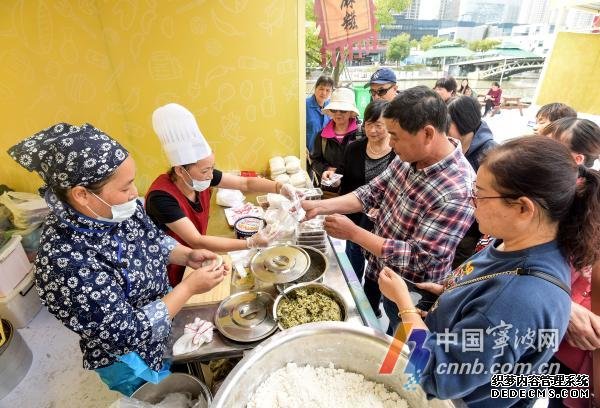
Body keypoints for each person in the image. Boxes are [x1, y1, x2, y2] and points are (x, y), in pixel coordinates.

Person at [379, 135, 600, 407]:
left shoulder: (515, 300)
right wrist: (453, 295)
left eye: (480, 194)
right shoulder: (518, 242)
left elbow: (437, 376)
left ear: (523, 208)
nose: (472, 202)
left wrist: (404, 305)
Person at [7, 123, 227, 396]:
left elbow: (153, 239)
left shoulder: (120, 209)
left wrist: (186, 255)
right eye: (125, 187)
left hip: (166, 315)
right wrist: (189, 288)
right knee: (167, 397)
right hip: (131, 358)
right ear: (81, 194)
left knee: (185, 374)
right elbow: (129, 333)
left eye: (133, 181)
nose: (135, 193)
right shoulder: (66, 264)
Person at [303, 86, 475, 333]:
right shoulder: (409, 157)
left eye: (395, 136)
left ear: (427, 133)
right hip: (383, 269)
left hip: (413, 291)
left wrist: (353, 233)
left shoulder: (457, 190)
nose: (391, 144)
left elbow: (419, 257)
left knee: (407, 348)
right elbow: (373, 191)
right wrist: (320, 206)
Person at [146, 103, 285, 286]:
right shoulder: (161, 198)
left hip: (198, 257)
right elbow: (196, 240)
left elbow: (245, 182)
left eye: (212, 168)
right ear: (180, 170)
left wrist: (280, 187)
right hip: (171, 268)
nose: (211, 175)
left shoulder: (201, 177)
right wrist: (250, 243)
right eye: (205, 171)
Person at [540, 117, 600, 408]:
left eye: (548, 145)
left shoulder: (577, 207)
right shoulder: (564, 200)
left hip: (577, 355)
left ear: (576, 159)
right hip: (559, 344)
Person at [321, 100, 395, 317]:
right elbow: (343, 174)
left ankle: (371, 309)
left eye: (379, 125)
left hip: (381, 224)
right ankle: (354, 297)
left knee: (375, 267)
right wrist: (332, 177)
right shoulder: (354, 147)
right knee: (354, 257)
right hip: (353, 217)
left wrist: (383, 209)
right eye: (369, 124)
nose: (372, 130)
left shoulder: (399, 155)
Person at [447, 95, 498, 267]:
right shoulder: (454, 145)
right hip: (451, 222)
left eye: (448, 123)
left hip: (471, 230)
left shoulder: (490, 154)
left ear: (464, 122)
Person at [309, 87, 362, 187]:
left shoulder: (361, 134)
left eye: (343, 110)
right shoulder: (321, 136)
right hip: (329, 191)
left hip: (354, 191)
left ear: (351, 112)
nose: (338, 114)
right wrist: (326, 170)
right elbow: (314, 161)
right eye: (334, 110)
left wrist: (339, 171)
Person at [306, 75, 334, 151]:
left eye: (328, 90)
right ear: (315, 89)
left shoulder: (331, 106)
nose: (324, 93)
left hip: (326, 153)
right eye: (321, 89)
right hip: (308, 153)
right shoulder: (305, 105)